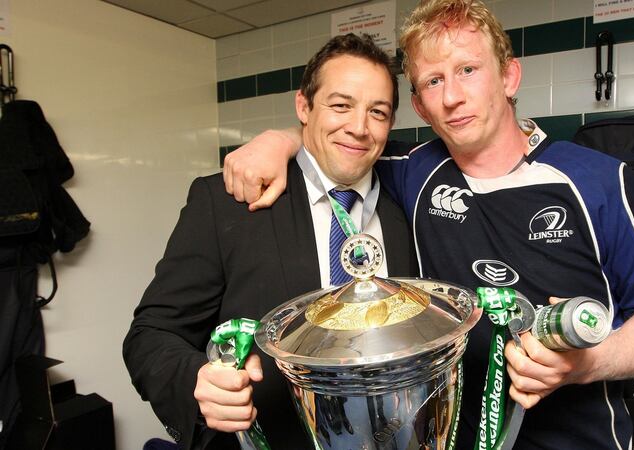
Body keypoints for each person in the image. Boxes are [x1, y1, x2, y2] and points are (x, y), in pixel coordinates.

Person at [222, 1, 634, 449]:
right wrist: (278, 141)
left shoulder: (600, 181)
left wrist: (586, 363)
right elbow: (342, 145)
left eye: (468, 70)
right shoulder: (413, 171)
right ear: (420, 106)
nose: (451, 97)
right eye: (433, 81)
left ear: (509, 76)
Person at [122, 34, 418, 450]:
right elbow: (150, 335)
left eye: (378, 112)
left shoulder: (407, 203)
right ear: (303, 106)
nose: (359, 127)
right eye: (340, 105)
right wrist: (198, 382)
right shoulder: (227, 203)